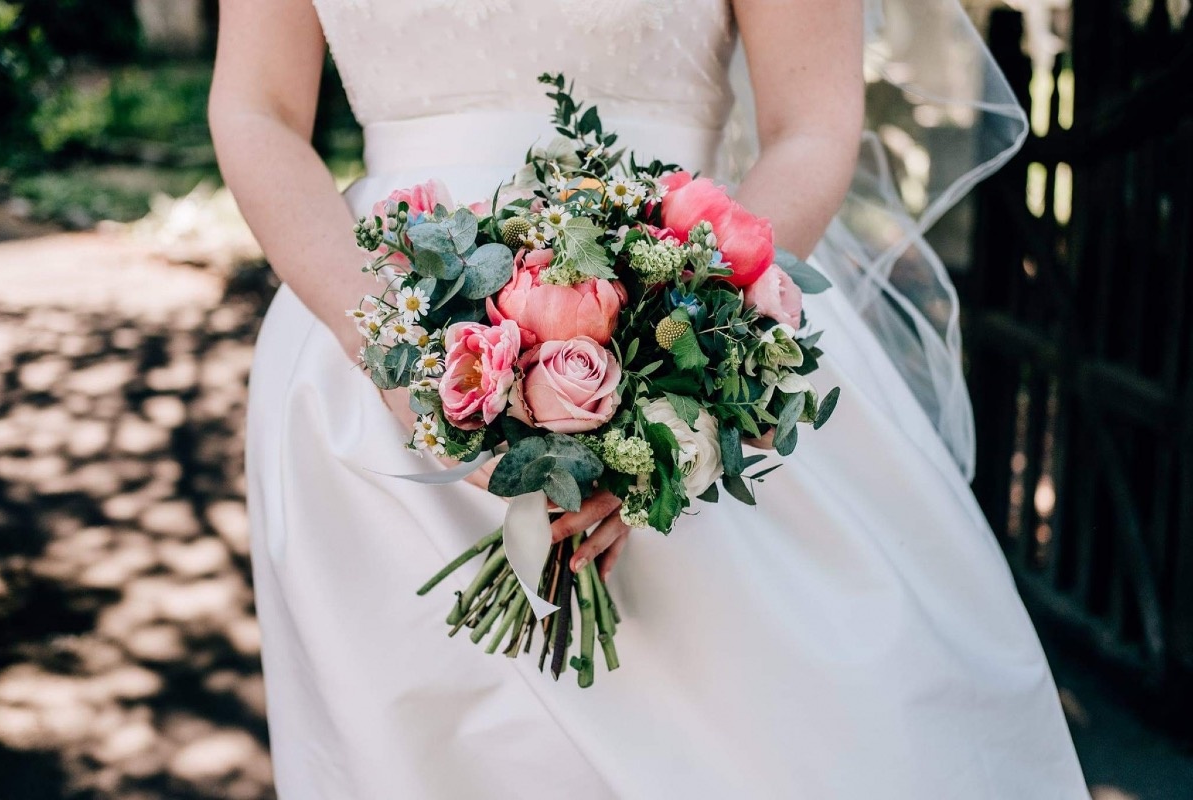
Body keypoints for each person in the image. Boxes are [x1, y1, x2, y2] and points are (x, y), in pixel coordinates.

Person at [209, 0, 1090, 797]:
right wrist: (397, 360)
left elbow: (812, 124)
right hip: (370, 381)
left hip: (691, 335)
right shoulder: (381, 366)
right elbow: (257, 111)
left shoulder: (693, 349)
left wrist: (687, 372)